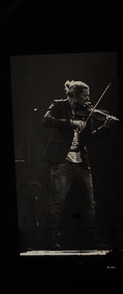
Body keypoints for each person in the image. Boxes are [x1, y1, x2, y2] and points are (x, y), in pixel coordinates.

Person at [42, 80, 117, 250]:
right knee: (57, 202)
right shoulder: (58, 105)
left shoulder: (86, 112)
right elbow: (47, 120)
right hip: (62, 162)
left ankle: (92, 240)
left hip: (82, 163)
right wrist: (72, 123)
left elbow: (89, 138)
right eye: (85, 96)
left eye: (88, 96)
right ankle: (50, 240)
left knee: (89, 203)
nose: (88, 99)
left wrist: (105, 128)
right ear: (74, 96)